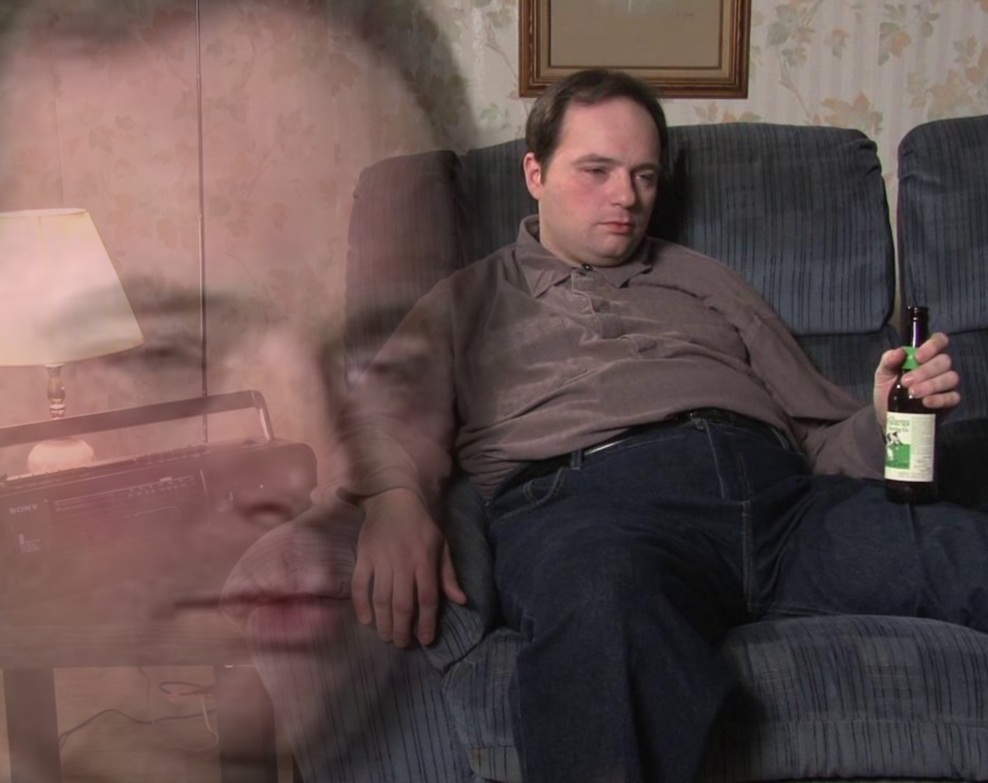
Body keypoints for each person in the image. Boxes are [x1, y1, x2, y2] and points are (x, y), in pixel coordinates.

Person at [336, 68, 988, 782]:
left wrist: (884, 418)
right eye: (597, 170)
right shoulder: (468, 298)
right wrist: (393, 502)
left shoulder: (704, 279)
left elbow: (820, 438)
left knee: (964, 551)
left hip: (785, 510)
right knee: (602, 599)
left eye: (644, 176)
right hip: (596, 513)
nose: (627, 197)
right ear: (535, 173)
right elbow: (376, 415)